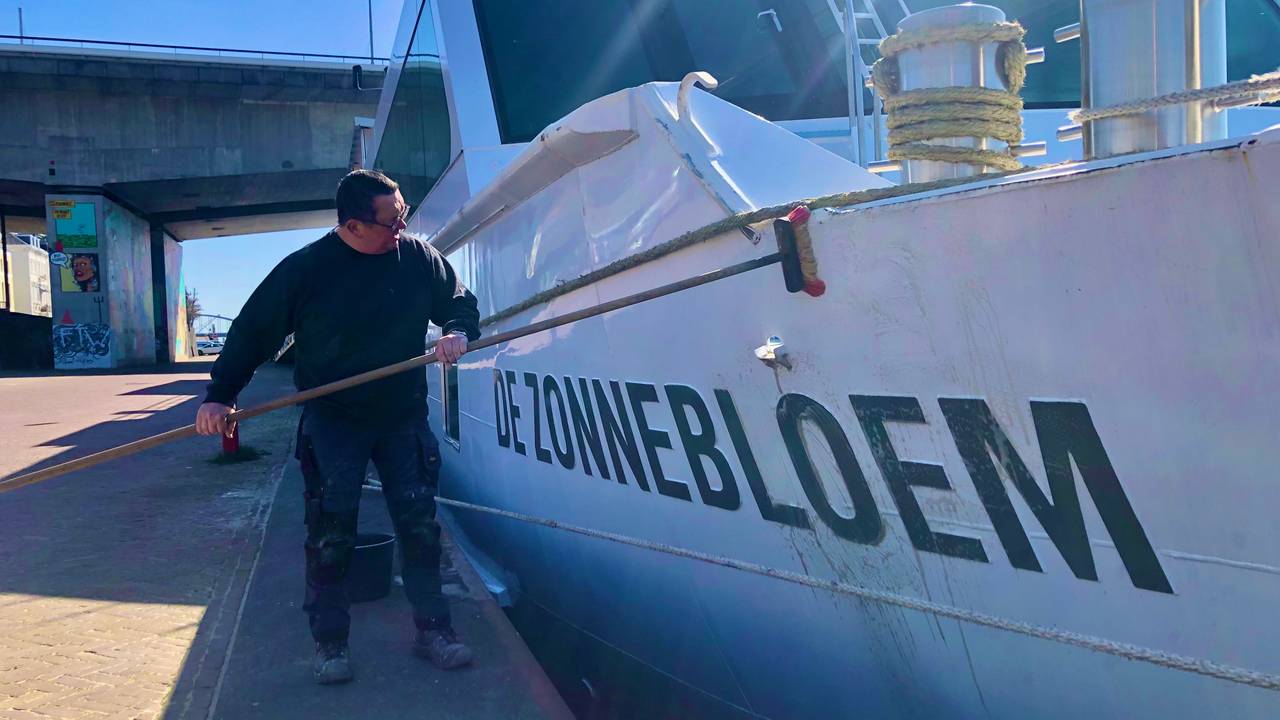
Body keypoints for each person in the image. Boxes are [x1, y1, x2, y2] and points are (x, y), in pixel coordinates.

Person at [194, 170, 480, 685]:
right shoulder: (307, 269)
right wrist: (221, 395)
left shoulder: (418, 258)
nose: (403, 226)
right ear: (352, 225)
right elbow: (253, 332)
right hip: (334, 421)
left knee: (419, 528)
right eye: (392, 220)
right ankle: (330, 642)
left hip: (401, 415)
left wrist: (457, 332)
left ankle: (434, 630)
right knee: (330, 534)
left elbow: (458, 301)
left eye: (404, 213)